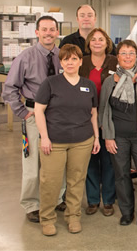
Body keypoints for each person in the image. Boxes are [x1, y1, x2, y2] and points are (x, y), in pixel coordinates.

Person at [2, 16, 65, 223]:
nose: (48, 33)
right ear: (37, 32)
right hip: (33, 115)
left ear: (57, 32)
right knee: (32, 162)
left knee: (58, 158)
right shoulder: (25, 57)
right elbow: (10, 88)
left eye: (52, 29)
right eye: (44, 29)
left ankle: (58, 198)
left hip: (59, 116)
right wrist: (22, 112)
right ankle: (31, 203)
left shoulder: (63, 56)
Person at [34, 44, 100, 236]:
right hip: (54, 141)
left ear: (80, 61)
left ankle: (73, 216)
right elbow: (39, 111)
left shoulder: (88, 85)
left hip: (82, 140)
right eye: (65, 59)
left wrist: (96, 138)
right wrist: (44, 137)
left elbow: (93, 113)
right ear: (60, 62)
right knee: (51, 182)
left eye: (73, 59)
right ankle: (46, 218)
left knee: (76, 181)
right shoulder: (51, 83)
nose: (69, 63)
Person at [99, 40, 137, 230]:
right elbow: (103, 111)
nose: (128, 56)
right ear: (117, 57)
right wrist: (108, 137)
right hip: (118, 136)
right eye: (124, 53)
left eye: (131, 53)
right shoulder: (109, 81)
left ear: (136, 56)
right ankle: (127, 213)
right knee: (121, 175)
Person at [80, 28, 117, 217]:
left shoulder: (114, 61)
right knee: (91, 160)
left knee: (109, 159)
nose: (96, 42)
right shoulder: (82, 62)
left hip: (109, 117)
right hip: (86, 117)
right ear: (88, 43)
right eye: (93, 39)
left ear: (106, 42)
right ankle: (93, 200)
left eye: (100, 39)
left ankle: (109, 200)